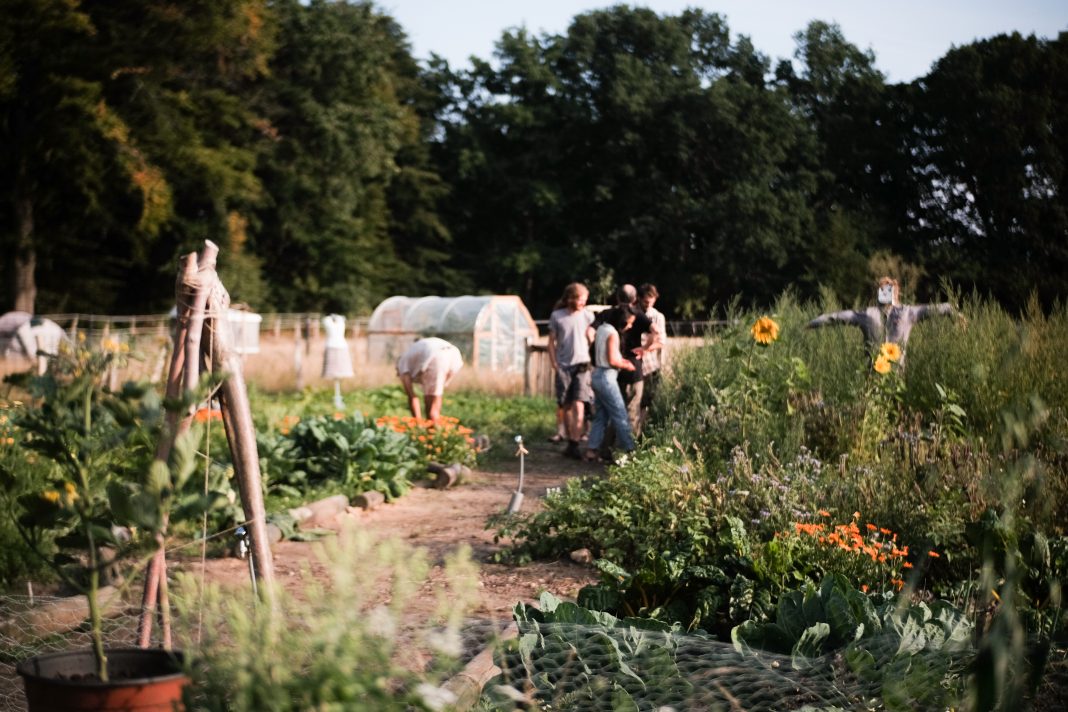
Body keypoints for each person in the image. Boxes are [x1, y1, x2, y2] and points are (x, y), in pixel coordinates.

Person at [806, 276, 961, 365]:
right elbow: (944, 308)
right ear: (897, 293)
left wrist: (809, 325)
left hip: (877, 377)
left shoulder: (868, 314)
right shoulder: (907, 313)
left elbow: (833, 318)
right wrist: (957, 317)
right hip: (889, 377)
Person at [584, 306, 639, 462]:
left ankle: (591, 450)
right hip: (607, 377)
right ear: (621, 321)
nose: (630, 326)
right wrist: (627, 365)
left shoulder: (602, 328)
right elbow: (612, 360)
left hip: (597, 374)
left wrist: (622, 361)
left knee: (601, 415)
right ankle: (630, 451)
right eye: (628, 323)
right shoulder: (613, 333)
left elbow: (604, 354)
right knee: (620, 414)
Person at [548, 282, 595, 459]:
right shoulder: (557, 316)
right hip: (564, 366)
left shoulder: (588, 317)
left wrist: (592, 338)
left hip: (583, 365)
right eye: (580, 299)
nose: (582, 303)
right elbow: (551, 343)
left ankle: (575, 441)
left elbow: (594, 340)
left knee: (579, 403)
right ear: (570, 299)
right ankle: (569, 440)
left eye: (585, 300)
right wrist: (554, 363)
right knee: (565, 405)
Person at [395, 337, 463, 421]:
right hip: (454, 355)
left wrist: (417, 422)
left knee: (431, 412)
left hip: (436, 356)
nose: (397, 375)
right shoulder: (414, 353)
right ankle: (435, 428)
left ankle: (431, 431)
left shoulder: (402, 365)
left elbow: (412, 396)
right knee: (433, 396)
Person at [636, 283, 666, 433]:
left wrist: (646, 349)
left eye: (651, 300)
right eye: (646, 300)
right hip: (634, 363)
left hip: (650, 364)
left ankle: (640, 431)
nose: (648, 303)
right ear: (640, 299)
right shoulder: (633, 313)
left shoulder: (658, 316)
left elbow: (661, 341)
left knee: (647, 401)